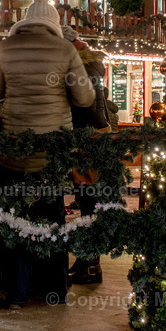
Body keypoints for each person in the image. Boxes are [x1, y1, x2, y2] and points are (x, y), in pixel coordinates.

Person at [0, 0, 94, 307]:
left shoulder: (6, 48)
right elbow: (85, 98)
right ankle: (55, 290)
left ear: (26, 20)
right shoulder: (64, 49)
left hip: (15, 149)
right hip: (52, 152)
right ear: (53, 23)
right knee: (53, 216)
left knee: (18, 217)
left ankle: (17, 292)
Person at [60, 27, 110, 285]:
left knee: (89, 204)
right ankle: (86, 261)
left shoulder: (83, 69)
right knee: (87, 202)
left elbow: (87, 108)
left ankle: (90, 265)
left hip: (88, 141)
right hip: (92, 139)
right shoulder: (90, 66)